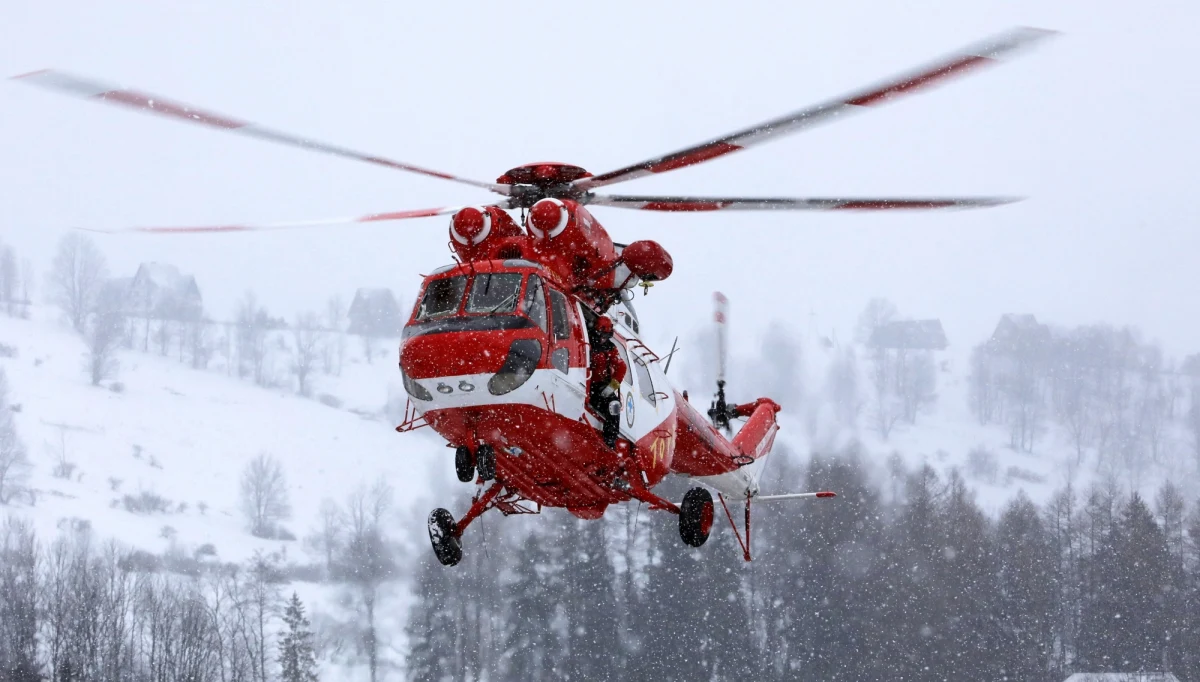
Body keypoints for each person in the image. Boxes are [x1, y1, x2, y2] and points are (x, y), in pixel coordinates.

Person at [588, 316, 626, 448]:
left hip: (599, 387)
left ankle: (610, 440)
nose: (603, 338)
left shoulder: (610, 348)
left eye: (606, 335)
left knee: (614, 405)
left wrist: (612, 387)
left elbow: (621, 367)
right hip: (584, 381)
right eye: (601, 335)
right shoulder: (587, 340)